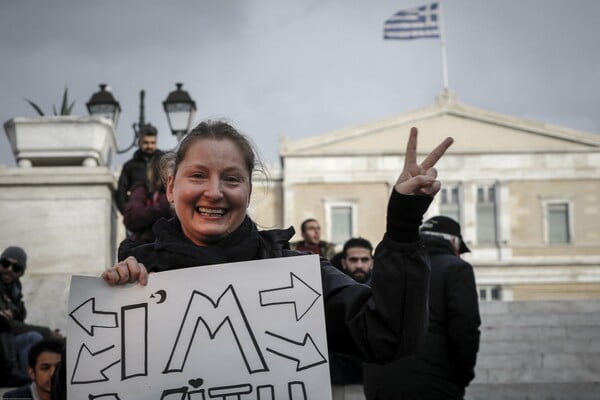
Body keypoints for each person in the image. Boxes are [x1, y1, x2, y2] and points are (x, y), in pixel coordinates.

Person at [102, 122, 453, 375]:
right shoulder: (136, 281)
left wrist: (404, 224)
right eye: (197, 176)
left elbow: (387, 337)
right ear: (170, 188)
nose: (214, 191)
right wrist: (115, 311)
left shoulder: (298, 277)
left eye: (231, 178)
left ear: (250, 191)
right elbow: (77, 383)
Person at [363, 216, 481, 400]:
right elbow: (465, 327)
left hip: (379, 382)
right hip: (433, 381)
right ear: (453, 243)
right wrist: (462, 376)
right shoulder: (456, 268)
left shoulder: (385, 267)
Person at [0, 246, 64, 386]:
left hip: (7, 345)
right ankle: (24, 383)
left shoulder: (15, 290)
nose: (9, 269)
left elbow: (18, 323)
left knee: (40, 342)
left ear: (21, 272)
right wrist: (47, 332)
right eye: (5, 263)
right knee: (32, 337)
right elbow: (9, 325)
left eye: (16, 268)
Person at [329, 237, 375, 389]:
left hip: (373, 380)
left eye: (364, 259)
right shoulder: (332, 290)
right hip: (338, 380)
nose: (359, 265)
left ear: (372, 262)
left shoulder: (384, 291)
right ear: (344, 262)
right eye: (353, 260)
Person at [117, 152, 175, 260]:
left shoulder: (182, 192)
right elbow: (131, 216)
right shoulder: (143, 191)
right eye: (169, 166)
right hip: (148, 248)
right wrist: (163, 207)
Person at [115, 123, 163, 214]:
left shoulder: (164, 163)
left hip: (162, 214)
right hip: (138, 216)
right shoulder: (129, 166)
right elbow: (121, 191)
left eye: (153, 143)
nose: (149, 146)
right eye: (146, 143)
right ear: (139, 143)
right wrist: (126, 211)